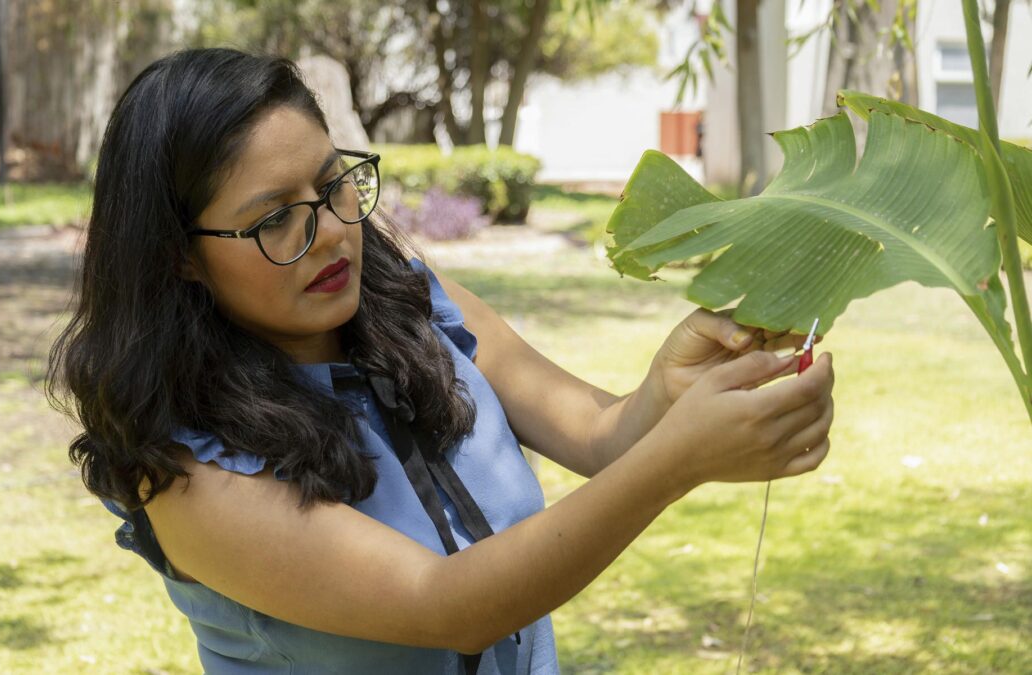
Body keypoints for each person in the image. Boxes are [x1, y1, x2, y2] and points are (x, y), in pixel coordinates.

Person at [45, 47, 834, 674]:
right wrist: (677, 460)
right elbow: (450, 605)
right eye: (277, 218)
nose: (330, 231)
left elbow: (600, 434)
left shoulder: (416, 303)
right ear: (180, 257)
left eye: (334, 185)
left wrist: (670, 390)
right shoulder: (186, 471)